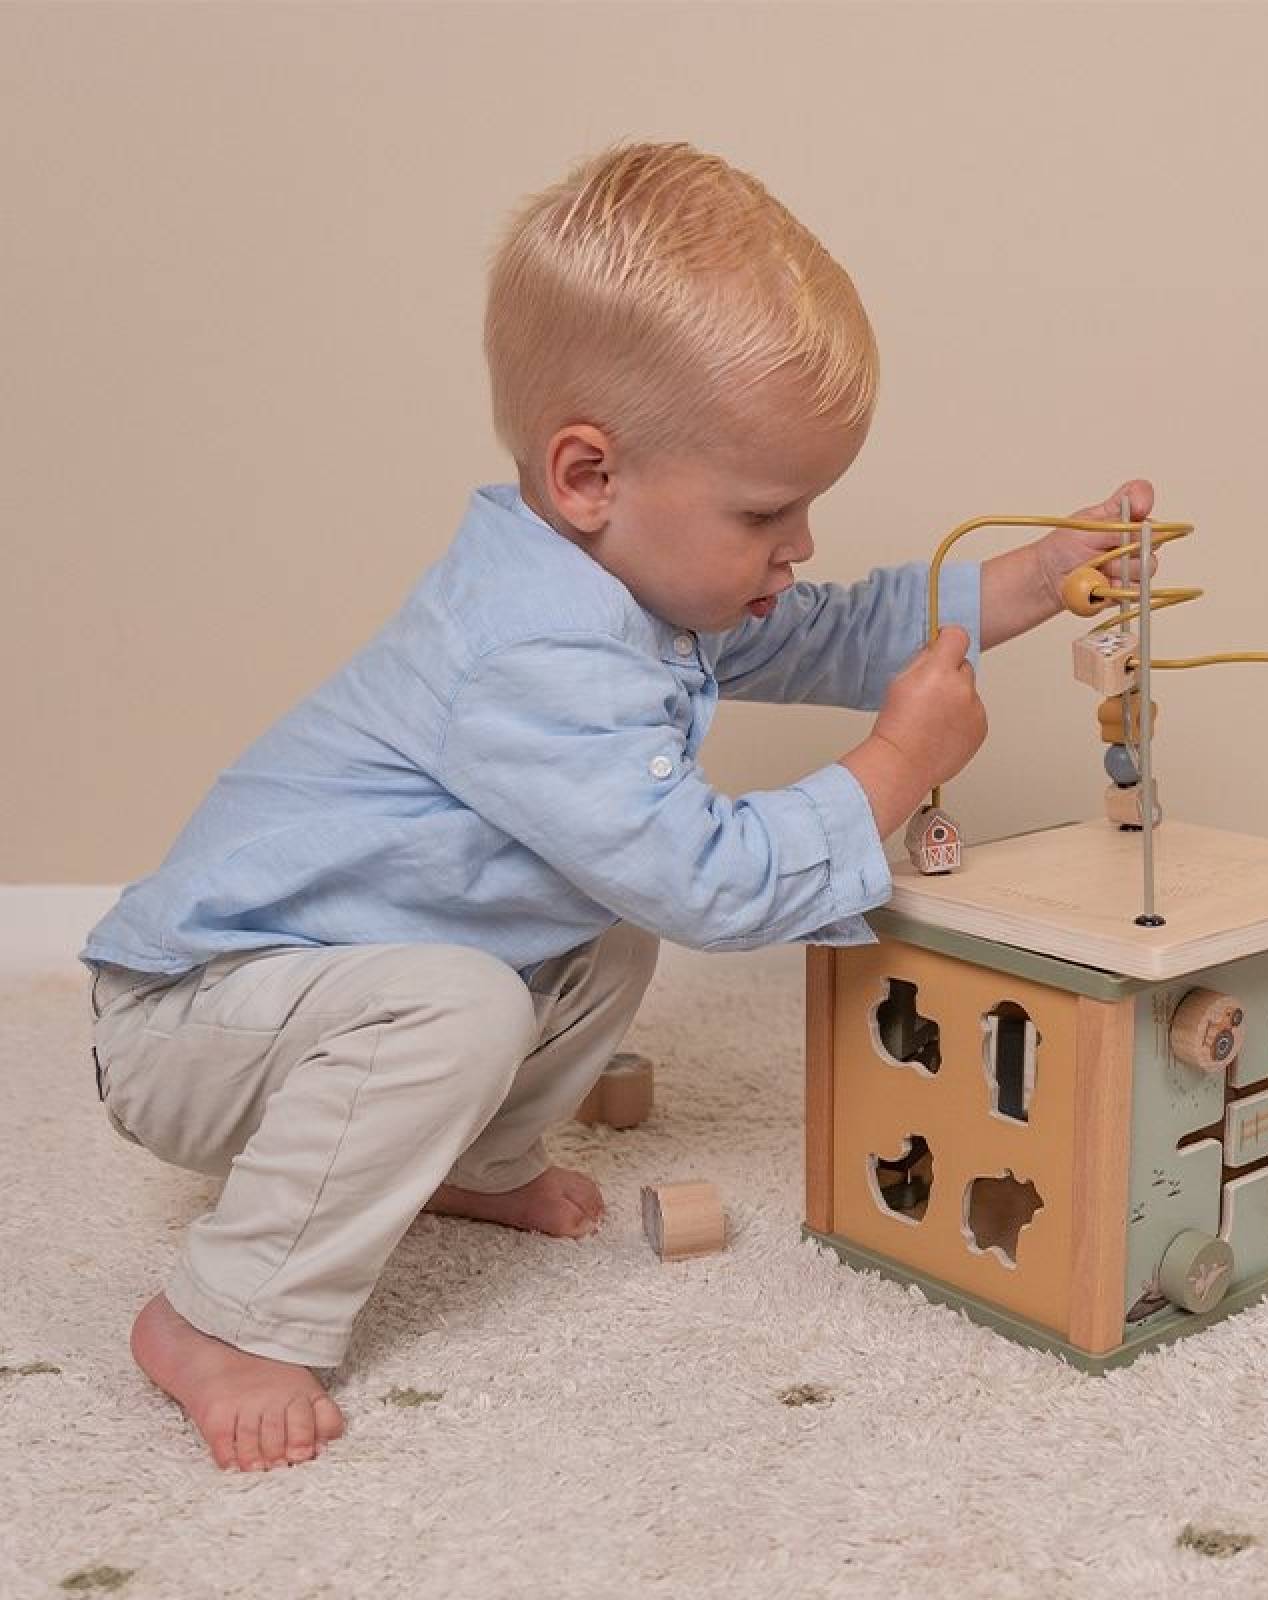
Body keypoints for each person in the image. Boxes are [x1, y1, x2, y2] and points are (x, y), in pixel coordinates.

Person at [81, 140, 1155, 1471]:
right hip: (196, 1017)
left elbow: (831, 630)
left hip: (328, 988)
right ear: (588, 479)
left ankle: (472, 1163)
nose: (798, 546)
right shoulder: (531, 655)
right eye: (769, 510)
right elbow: (707, 881)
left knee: (599, 929)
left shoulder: (639, 590)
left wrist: (1037, 577)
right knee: (485, 989)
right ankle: (223, 1319)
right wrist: (894, 762)